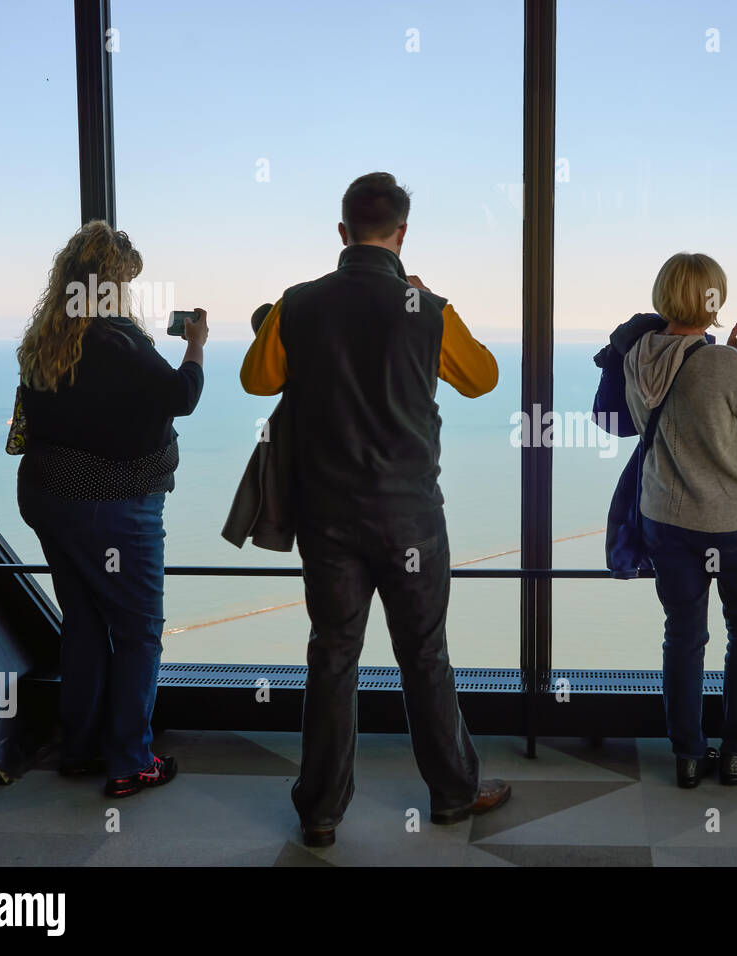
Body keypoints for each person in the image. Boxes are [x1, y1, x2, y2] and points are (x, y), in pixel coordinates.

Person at [240, 171, 509, 847]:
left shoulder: (297, 304)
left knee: (333, 655)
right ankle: (452, 793)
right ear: (403, 234)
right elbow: (482, 379)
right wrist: (429, 304)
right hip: (410, 514)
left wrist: (280, 320)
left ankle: (321, 811)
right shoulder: (426, 308)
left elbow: (255, 379)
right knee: (424, 654)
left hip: (327, 517)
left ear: (341, 232)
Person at [15, 219, 207, 798]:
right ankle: (128, 762)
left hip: (50, 499)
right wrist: (196, 346)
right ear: (114, 282)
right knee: (140, 631)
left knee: (84, 623)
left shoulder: (45, 341)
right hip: (113, 509)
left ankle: (79, 746)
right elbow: (182, 397)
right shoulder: (117, 341)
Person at [621, 252, 737, 788]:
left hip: (665, 517)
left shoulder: (639, 353)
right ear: (713, 302)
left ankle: (688, 756)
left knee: (684, 635)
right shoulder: (726, 363)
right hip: (733, 520)